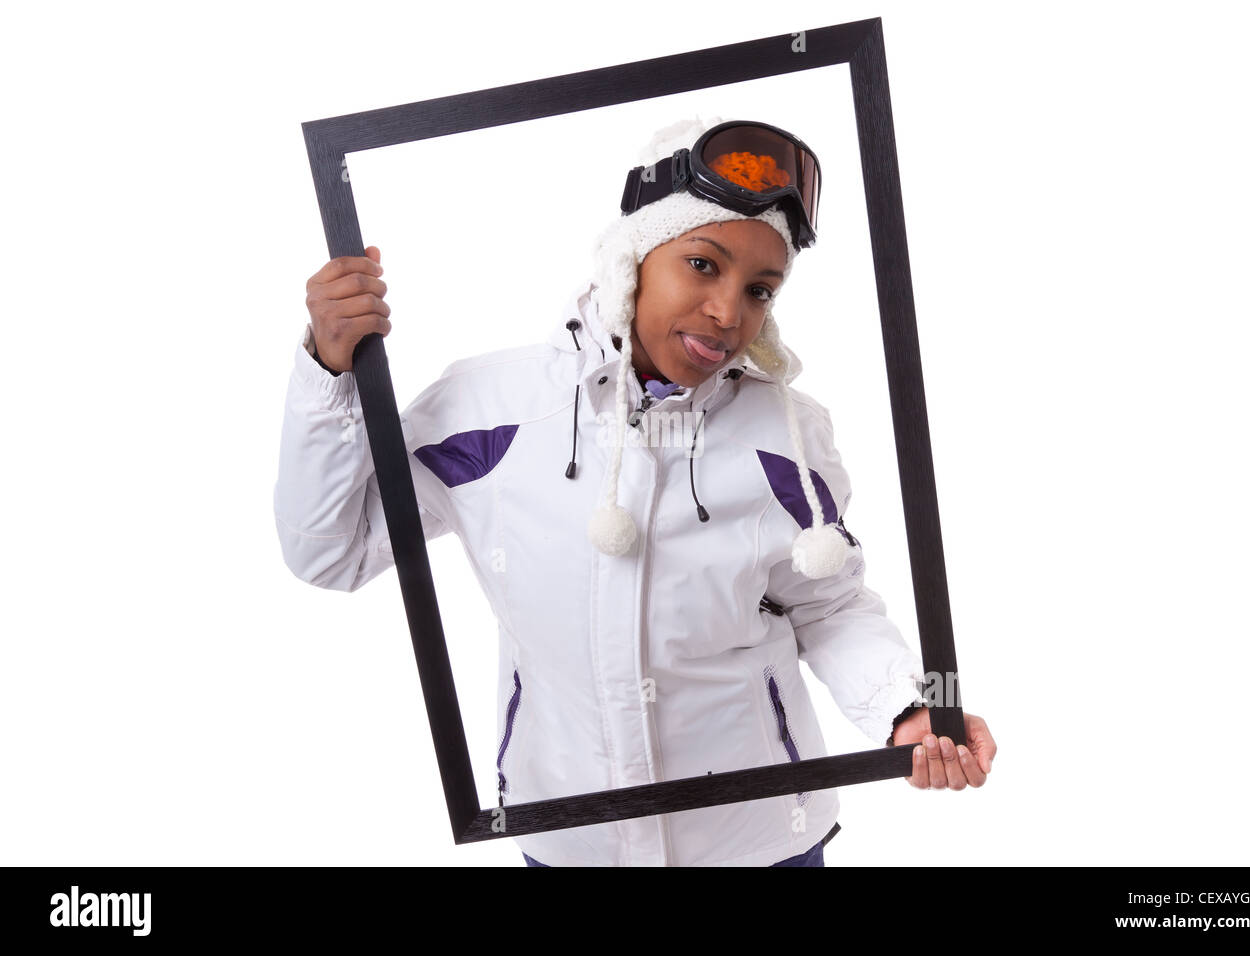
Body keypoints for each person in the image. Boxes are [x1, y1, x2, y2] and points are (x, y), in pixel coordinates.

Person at [275, 116, 996, 867]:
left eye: (760, 289)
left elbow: (831, 606)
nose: (728, 314)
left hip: (761, 846)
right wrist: (328, 372)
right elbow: (333, 553)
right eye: (702, 264)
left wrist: (910, 708)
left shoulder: (787, 433)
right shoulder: (488, 411)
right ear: (633, 258)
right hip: (574, 843)